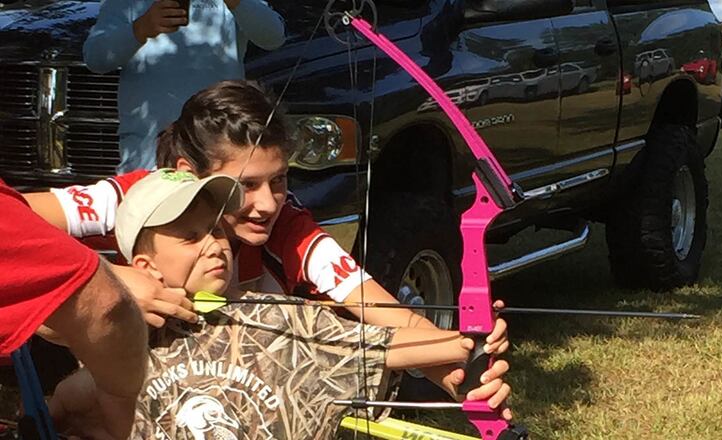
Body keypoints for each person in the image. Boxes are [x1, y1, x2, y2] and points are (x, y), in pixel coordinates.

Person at [24, 80, 511, 398]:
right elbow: (11, 221)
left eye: (278, 180)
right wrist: (105, 279)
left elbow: (378, 310)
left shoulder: (285, 225)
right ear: (186, 175)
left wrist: (457, 364)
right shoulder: (130, 200)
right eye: (246, 185)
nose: (268, 203)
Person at [113, 168, 511, 439]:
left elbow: (377, 343)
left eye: (217, 230)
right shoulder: (115, 328)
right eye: (189, 236)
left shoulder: (276, 317)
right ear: (143, 267)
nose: (213, 245)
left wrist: (468, 342)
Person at [0, 179, 149, 439]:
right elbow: (106, 304)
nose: (212, 247)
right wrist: (119, 400)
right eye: (190, 236)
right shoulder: (134, 190)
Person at [83, 0, 286, 172]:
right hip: (148, 146)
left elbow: (273, 38)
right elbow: (96, 58)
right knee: (148, 215)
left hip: (221, 142)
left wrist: (237, 3)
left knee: (220, 214)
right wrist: (141, 28)